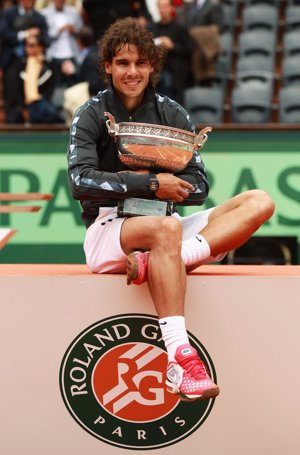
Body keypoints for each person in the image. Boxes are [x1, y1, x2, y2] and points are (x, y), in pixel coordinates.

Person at [67, 17, 275, 402]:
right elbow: (81, 181)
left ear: (152, 66)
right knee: (167, 231)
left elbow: (198, 187)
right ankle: (180, 359)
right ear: (108, 67)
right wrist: (150, 183)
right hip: (110, 229)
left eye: (141, 63)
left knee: (259, 201)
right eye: (123, 63)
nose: (132, 72)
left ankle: (167, 259)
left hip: (166, 223)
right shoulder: (91, 114)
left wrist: (164, 188)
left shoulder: (173, 113)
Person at [0, 0, 49, 123]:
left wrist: (35, 41)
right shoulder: (9, 13)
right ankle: (13, 122)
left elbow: (46, 39)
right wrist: (25, 34)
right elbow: (3, 33)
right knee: (12, 91)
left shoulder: (39, 17)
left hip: (35, 62)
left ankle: (37, 118)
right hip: (13, 60)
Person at [148, 0, 193, 105]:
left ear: (171, 8)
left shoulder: (180, 28)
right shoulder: (151, 28)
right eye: (160, 7)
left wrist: (172, 46)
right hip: (155, 74)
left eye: (165, 7)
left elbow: (189, 50)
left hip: (175, 76)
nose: (163, 10)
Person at [20, 34, 64, 123]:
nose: (28, 48)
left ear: (41, 47)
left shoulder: (49, 66)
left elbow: (51, 89)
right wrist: (23, 108)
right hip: (26, 107)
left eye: (32, 45)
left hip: (44, 105)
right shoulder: (20, 66)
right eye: (26, 45)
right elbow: (16, 91)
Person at [41, 0, 83, 87]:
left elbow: (81, 31)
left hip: (71, 54)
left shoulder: (73, 12)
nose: (60, 2)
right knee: (55, 84)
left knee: (72, 83)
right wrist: (59, 30)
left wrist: (73, 30)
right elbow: (44, 36)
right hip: (53, 55)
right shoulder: (45, 14)